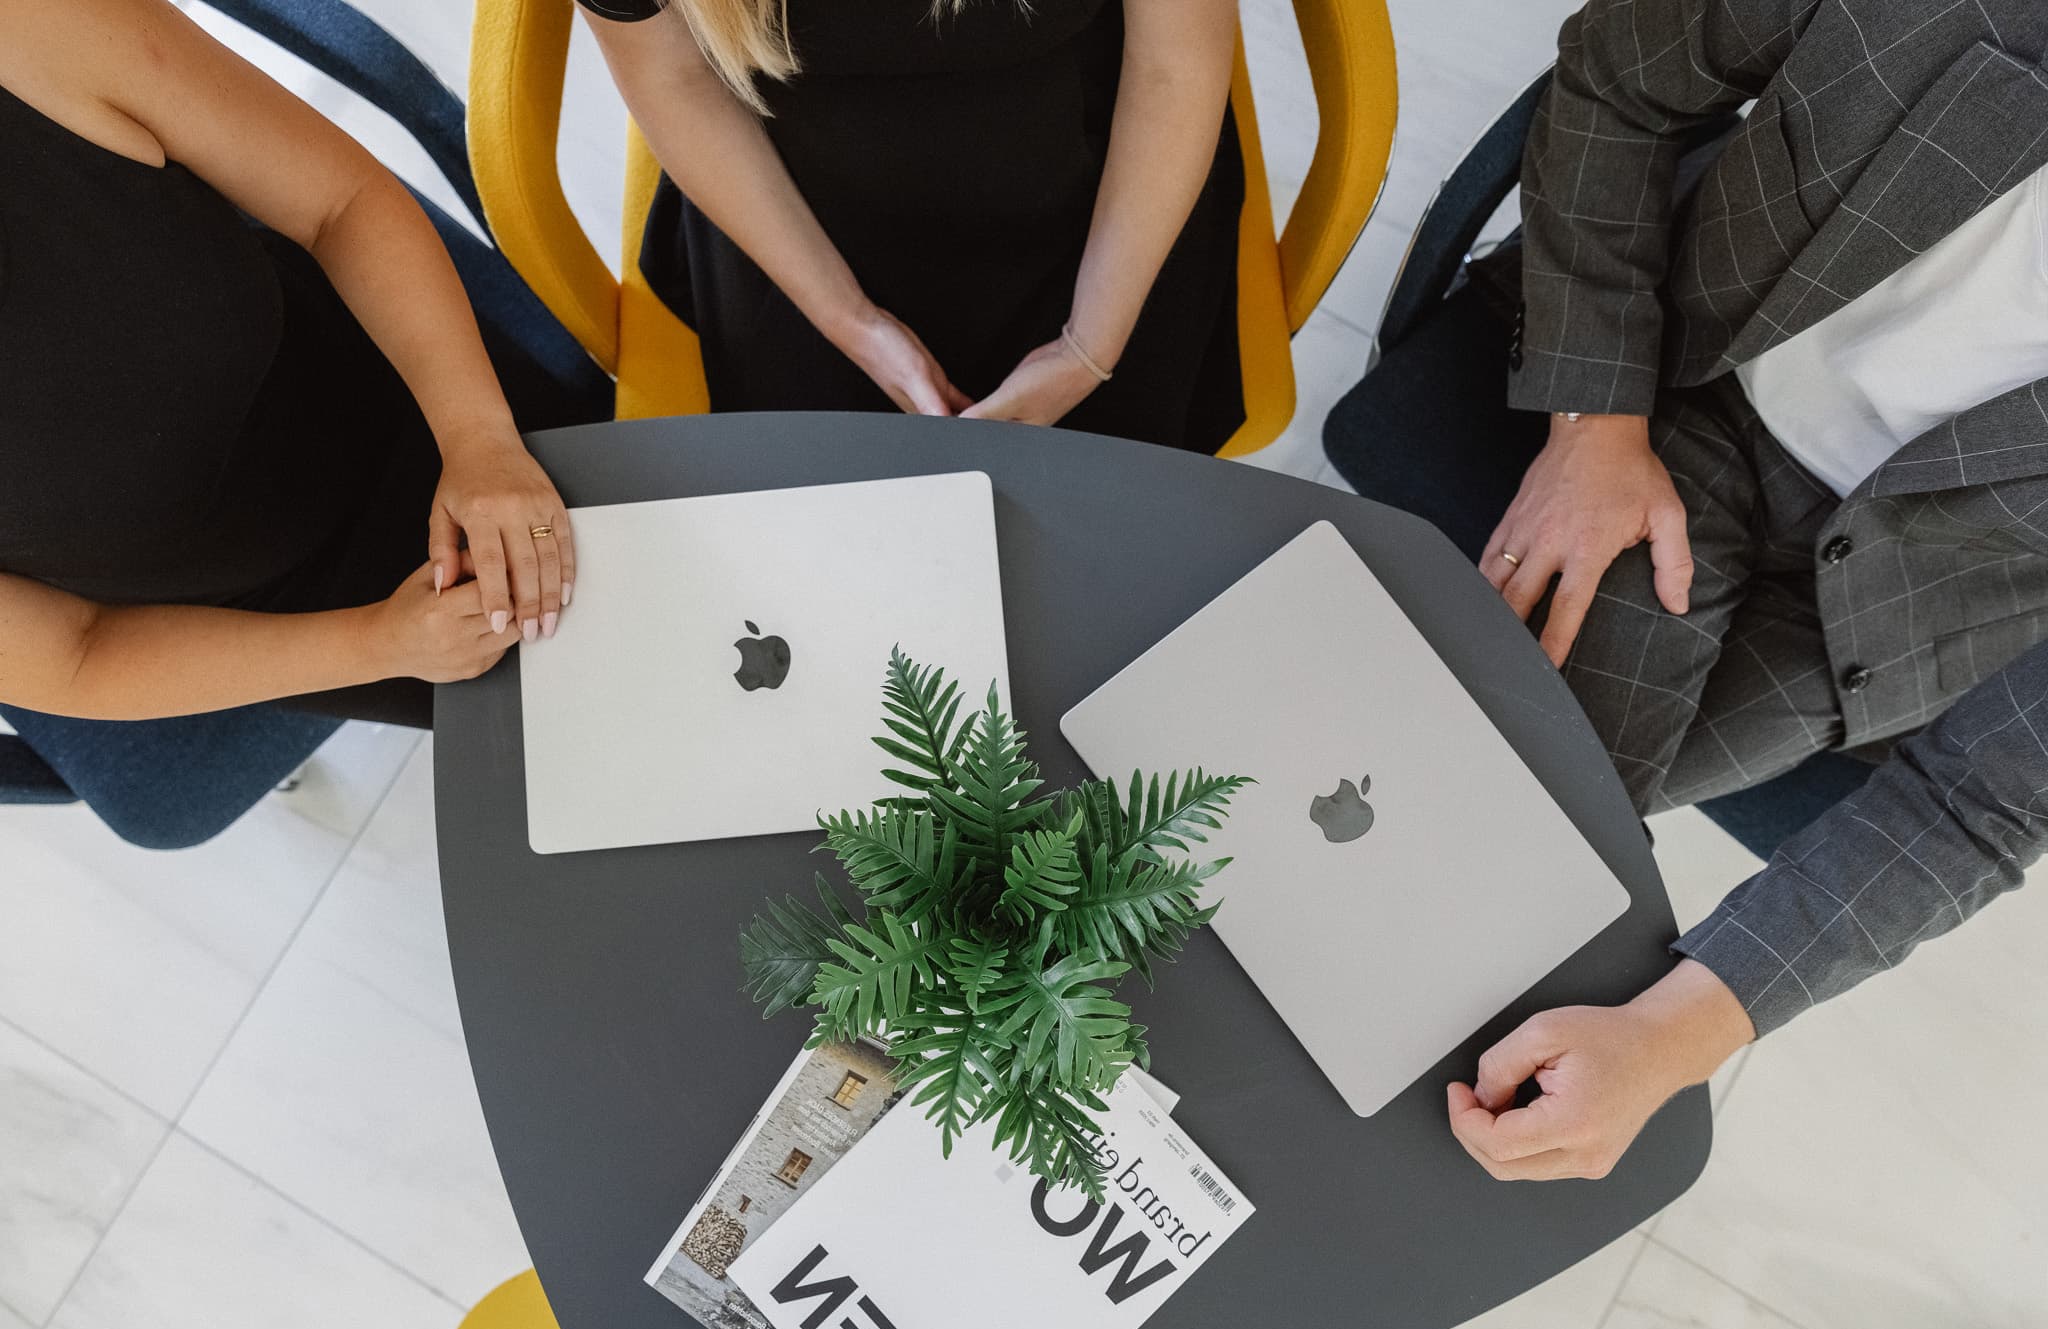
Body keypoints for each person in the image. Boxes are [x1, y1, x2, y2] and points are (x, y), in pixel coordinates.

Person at [1324, 0, 2048, 1180]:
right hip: (1694, 383)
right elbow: (1619, 76)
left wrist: (1670, 1038)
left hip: (1896, 609)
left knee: (1502, 876)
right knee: (1488, 818)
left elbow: (1982, 798)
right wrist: (1592, 425)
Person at [0, 0, 583, 836]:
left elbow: (338, 204)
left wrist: (478, 437)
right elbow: (79, 653)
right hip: (282, 618)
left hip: (410, 385)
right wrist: (380, 643)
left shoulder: (32, 29)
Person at [576, 0, 1246, 451]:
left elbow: (1171, 69)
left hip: (1105, 196)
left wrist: (1087, 350)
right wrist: (851, 321)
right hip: (787, 211)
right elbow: (675, 80)